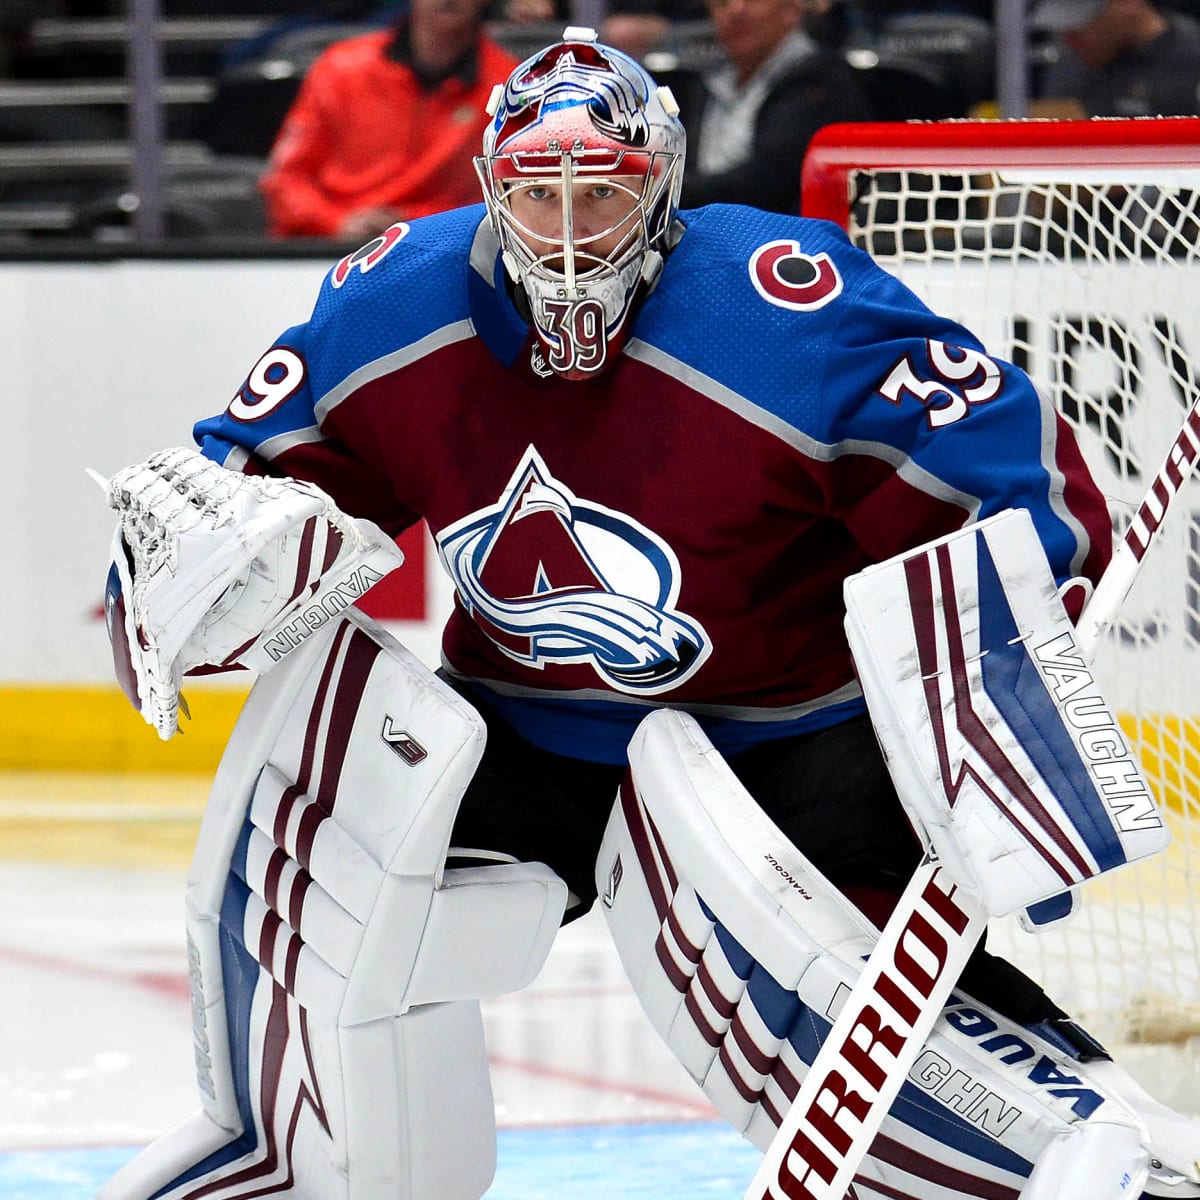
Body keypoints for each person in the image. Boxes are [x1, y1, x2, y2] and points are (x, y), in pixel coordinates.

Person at [99, 28, 1200, 1200]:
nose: (570, 230)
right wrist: (184, 588)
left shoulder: (786, 304)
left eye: (605, 193)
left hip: (784, 739)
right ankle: (292, 1161)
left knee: (829, 989)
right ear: (490, 187)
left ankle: (1102, 1148)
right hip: (524, 731)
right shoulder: (389, 305)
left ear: (664, 187)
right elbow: (231, 494)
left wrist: (994, 703)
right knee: (329, 880)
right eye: (538, 193)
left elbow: (1024, 492)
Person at [258, 0, 519, 240]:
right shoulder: (339, 68)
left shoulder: (507, 86)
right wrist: (336, 222)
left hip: (444, 246)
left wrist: (417, 224)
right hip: (331, 245)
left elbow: (511, 195)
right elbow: (285, 179)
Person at [669, 0, 873, 214]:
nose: (735, 9)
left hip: (784, 231)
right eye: (722, 2)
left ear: (792, 8)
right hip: (701, 224)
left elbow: (765, 186)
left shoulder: (821, 83)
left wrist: (668, 191)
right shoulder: (701, 82)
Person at [1031, 0, 1200, 117]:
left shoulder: (1191, 63)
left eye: (1084, 22)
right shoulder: (1071, 61)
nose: (1068, 37)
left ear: (1129, 3)